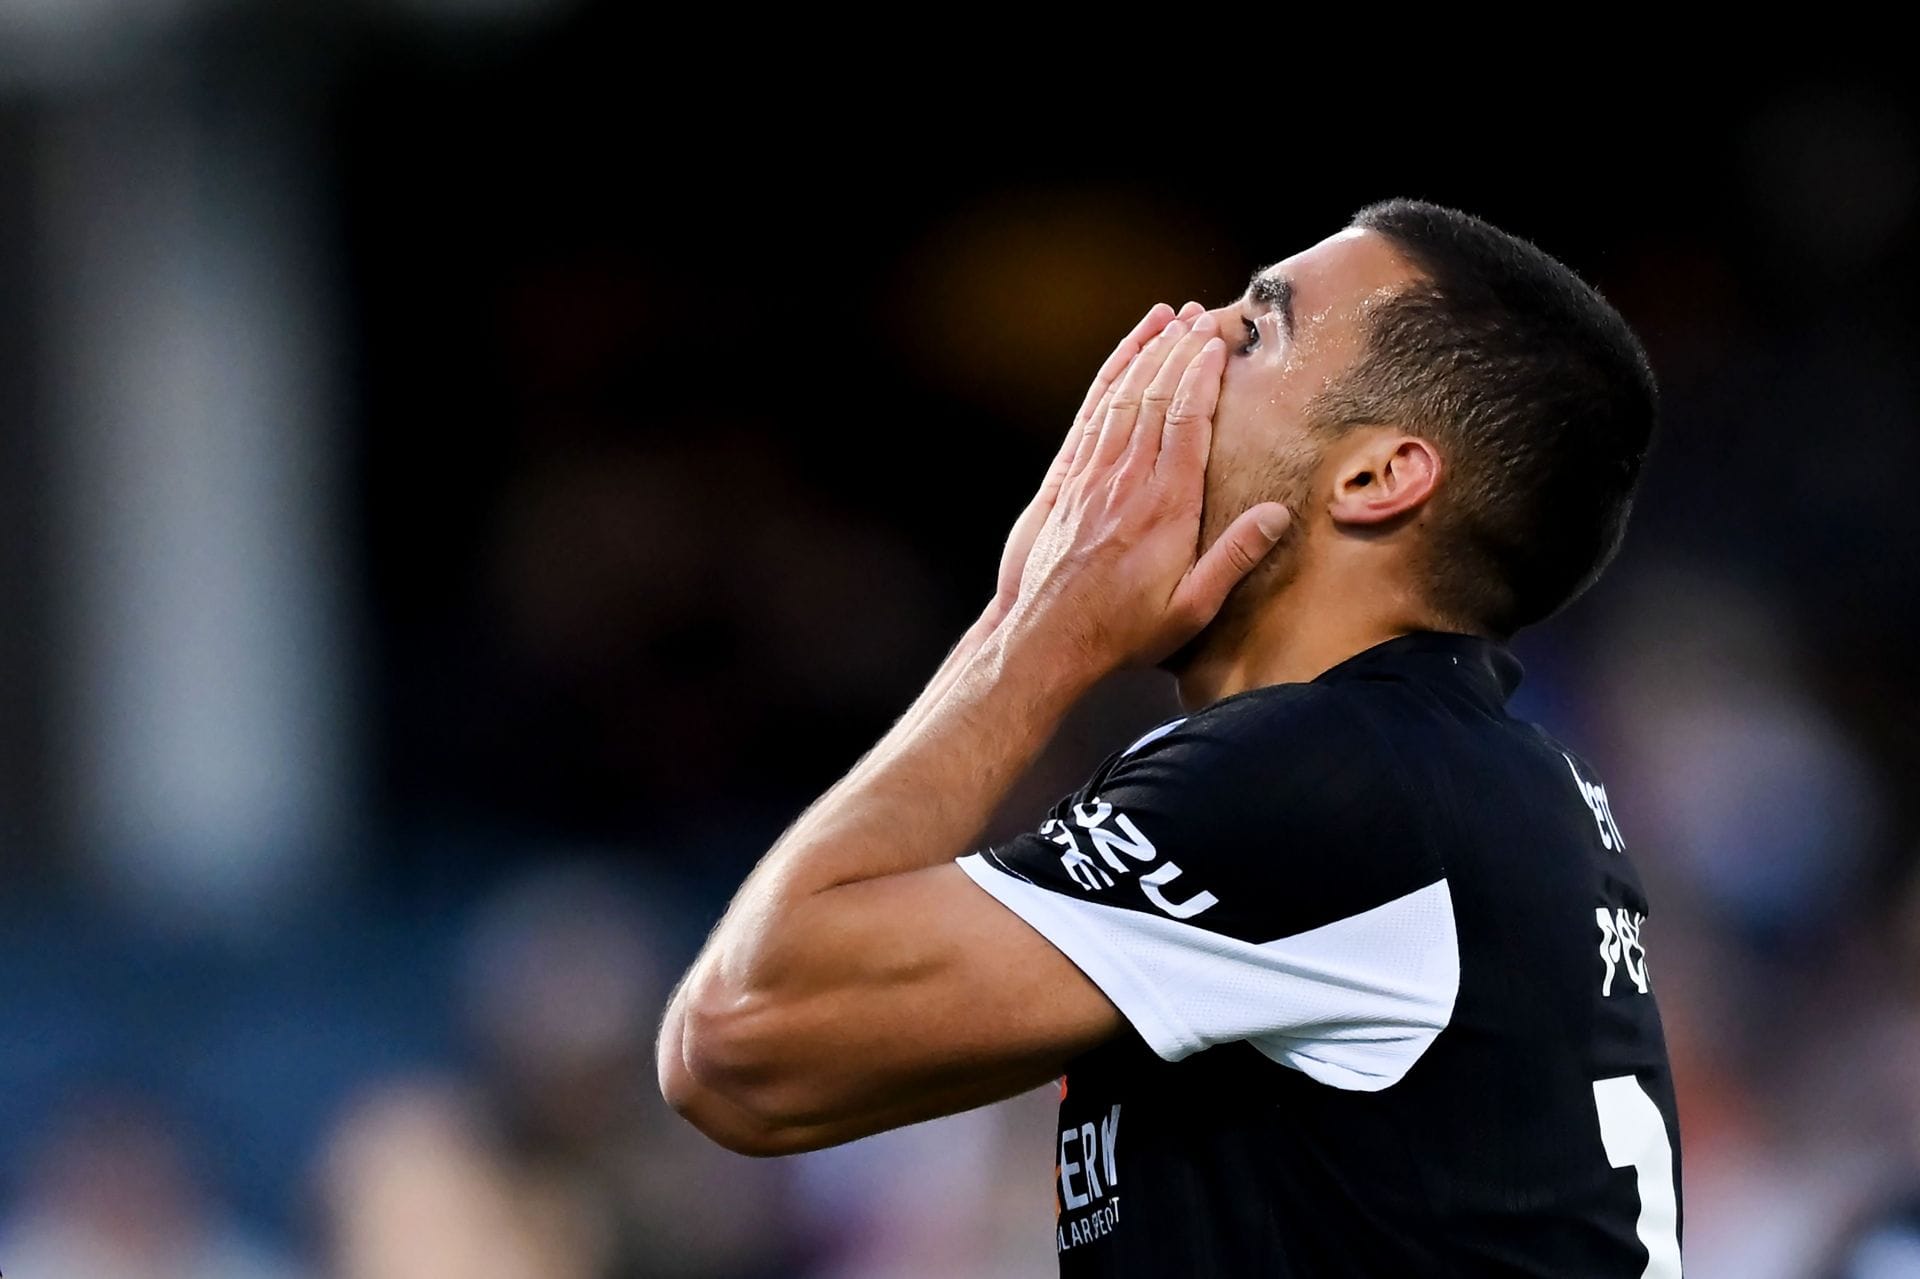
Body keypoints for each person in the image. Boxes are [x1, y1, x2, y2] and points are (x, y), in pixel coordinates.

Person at [656, 199, 1680, 1276]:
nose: (1180, 338)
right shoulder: (1450, 768)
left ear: (1377, 476)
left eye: (1253, 332)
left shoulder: (1332, 777)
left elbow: (740, 1041)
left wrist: (1036, 626)